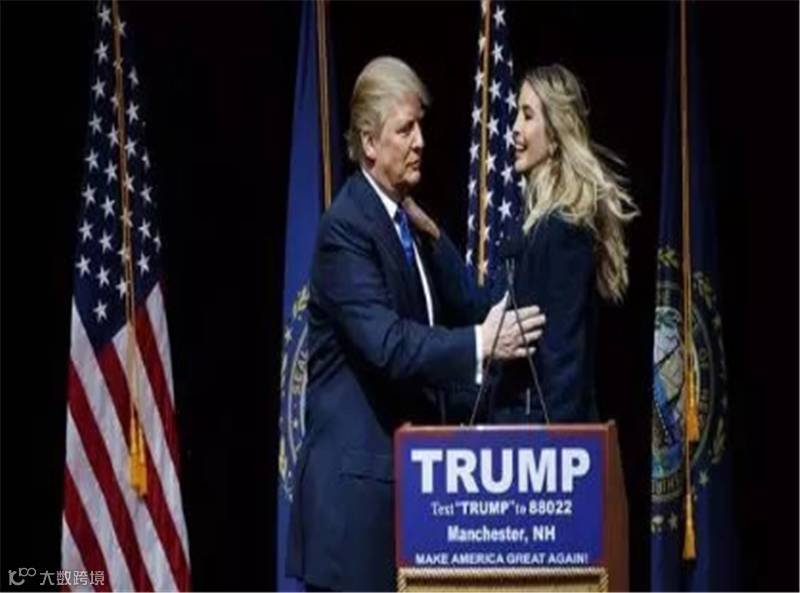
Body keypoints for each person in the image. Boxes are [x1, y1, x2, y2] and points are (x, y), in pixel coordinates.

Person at [285, 56, 546, 592]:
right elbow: (389, 345)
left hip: (407, 502)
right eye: (405, 130)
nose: (421, 142)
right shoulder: (346, 229)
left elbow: (464, 306)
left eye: (420, 127)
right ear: (369, 142)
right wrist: (481, 344)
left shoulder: (403, 221)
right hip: (355, 517)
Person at [410, 63, 638, 424]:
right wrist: (434, 235)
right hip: (520, 434)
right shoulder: (534, 225)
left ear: (556, 134)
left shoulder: (563, 229)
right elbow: (488, 309)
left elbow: (564, 365)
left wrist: (558, 451)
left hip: (543, 439)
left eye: (528, 115)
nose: (515, 127)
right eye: (517, 113)